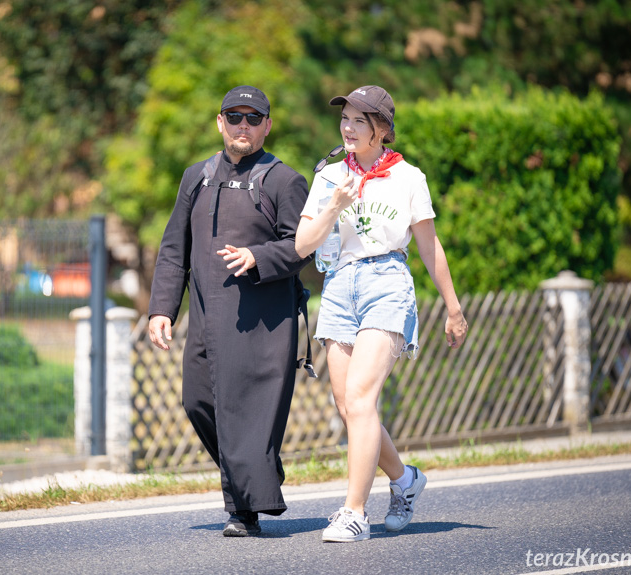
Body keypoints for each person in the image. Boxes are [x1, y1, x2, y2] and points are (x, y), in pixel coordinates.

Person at [295, 85, 468, 542]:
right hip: (338, 287)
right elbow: (302, 245)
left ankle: (354, 512)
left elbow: (430, 246)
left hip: (386, 283)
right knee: (348, 406)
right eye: (345, 119)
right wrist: (334, 204)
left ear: (383, 129)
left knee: (362, 398)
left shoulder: (409, 177)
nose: (348, 127)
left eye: (359, 120)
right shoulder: (329, 176)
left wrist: (453, 308)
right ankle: (406, 480)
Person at [148, 85, 312, 537]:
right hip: (205, 318)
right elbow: (172, 249)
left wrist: (260, 256)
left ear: (266, 126)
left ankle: (245, 510)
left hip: (261, 321)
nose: (243, 126)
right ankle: (256, 476)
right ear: (220, 122)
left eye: (252, 118)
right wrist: (161, 309)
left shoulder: (284, 180)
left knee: (244, 412)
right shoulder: (195, 176)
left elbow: (302, 246)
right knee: (197, 401)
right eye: (234, 117)